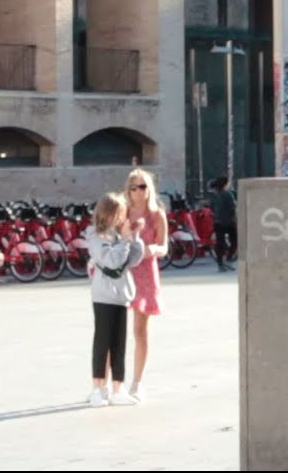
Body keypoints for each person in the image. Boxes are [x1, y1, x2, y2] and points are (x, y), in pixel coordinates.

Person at [85, 192, 145, 407]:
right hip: (103, 295)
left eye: (123, 214)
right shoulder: (95, 236)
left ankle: (118, 388)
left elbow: (133, 259)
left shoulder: (120, 236)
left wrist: (134, 236)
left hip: (121, 295)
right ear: (107, 213)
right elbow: (112, 261)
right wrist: (125, 240)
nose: (121, 219)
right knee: (102, 342)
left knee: (119, 343)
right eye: (118, 214)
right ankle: (97, 388)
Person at [124, 168, 169, 402]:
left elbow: (164, 247)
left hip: (146, 273)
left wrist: (154, 249)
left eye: (142, 186)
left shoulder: (157, 214)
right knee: (115, 329)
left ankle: (137, 382)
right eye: (134, 187)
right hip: (124, 273)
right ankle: (108, 383)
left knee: (139, 331)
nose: (138, 191)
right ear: (128, 190)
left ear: (149, 189)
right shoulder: (122, 212)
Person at [206, 176, 237, 273]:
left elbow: (211, 207)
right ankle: (229, 258)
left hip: (217, 222)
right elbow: (232, 208)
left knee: (219, 243)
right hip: (229, 222)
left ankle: (220, 264)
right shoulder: (228, 194)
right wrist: (234, 217)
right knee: (234, 241)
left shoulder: (214, 196)